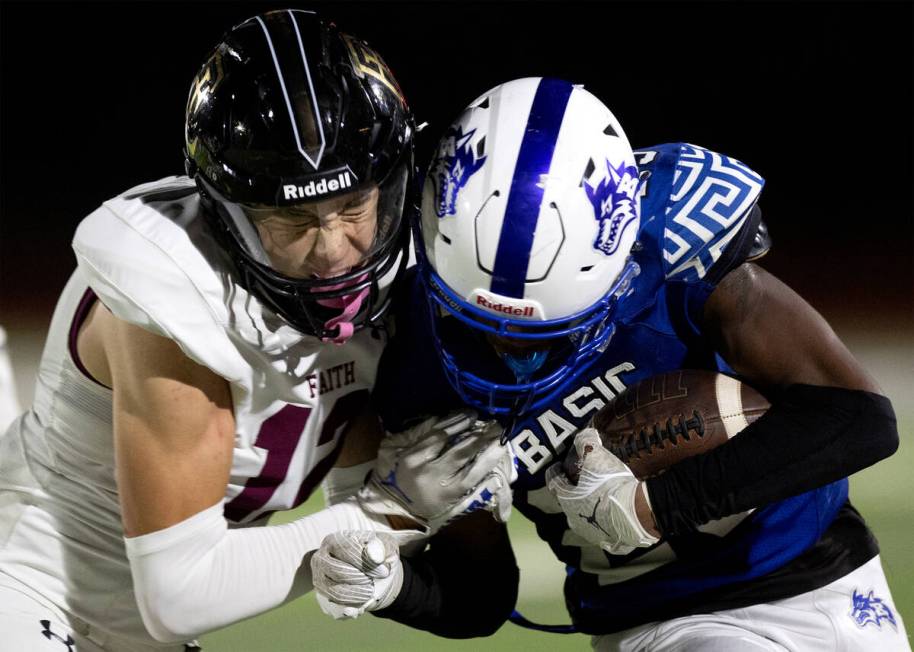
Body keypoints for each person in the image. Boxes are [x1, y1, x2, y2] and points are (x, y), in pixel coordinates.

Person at [310, 77, 909, 650]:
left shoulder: (671, 248)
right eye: (475, 322)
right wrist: (393, 587)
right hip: (659, 623)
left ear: (620, 260)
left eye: (545, 330)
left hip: (835, 578)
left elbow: (858, 417)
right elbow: (482, 596)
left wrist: (660, 506)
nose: (510, 350)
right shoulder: (413, 360)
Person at [0, 10, 513, 652]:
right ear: (227, 213)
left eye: (353, 205)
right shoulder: (172, 291)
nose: (333, 251)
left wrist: (471, 503)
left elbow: (453, 592)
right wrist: (390, 511)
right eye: (291, 220)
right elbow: (178, 595)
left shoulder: (403, 291)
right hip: (29, 597)